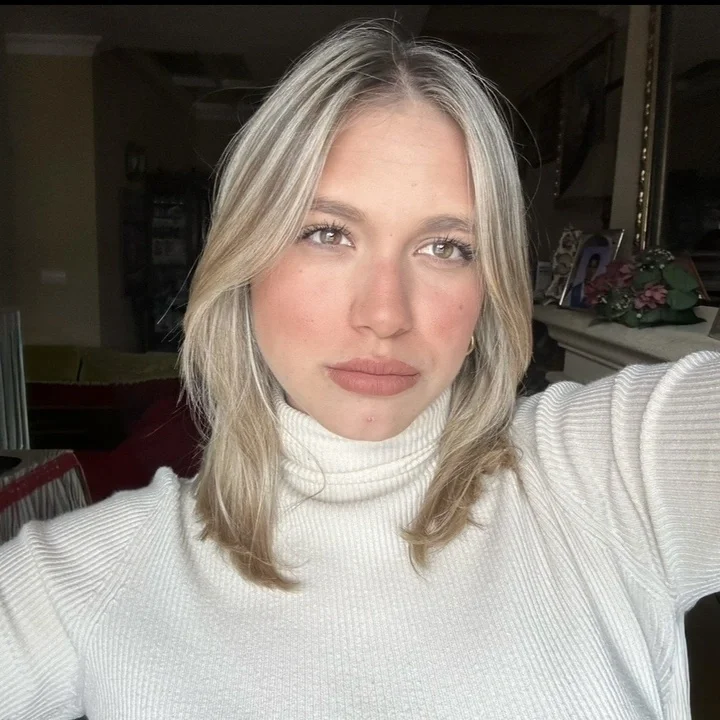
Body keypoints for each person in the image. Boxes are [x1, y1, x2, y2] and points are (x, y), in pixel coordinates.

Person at [2, 21, 720, 720]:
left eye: (445, 248)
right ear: (245, 262)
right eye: (327, 233)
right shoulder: (80, 582)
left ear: (489, 288)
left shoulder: (612, 475)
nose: (384, 314)